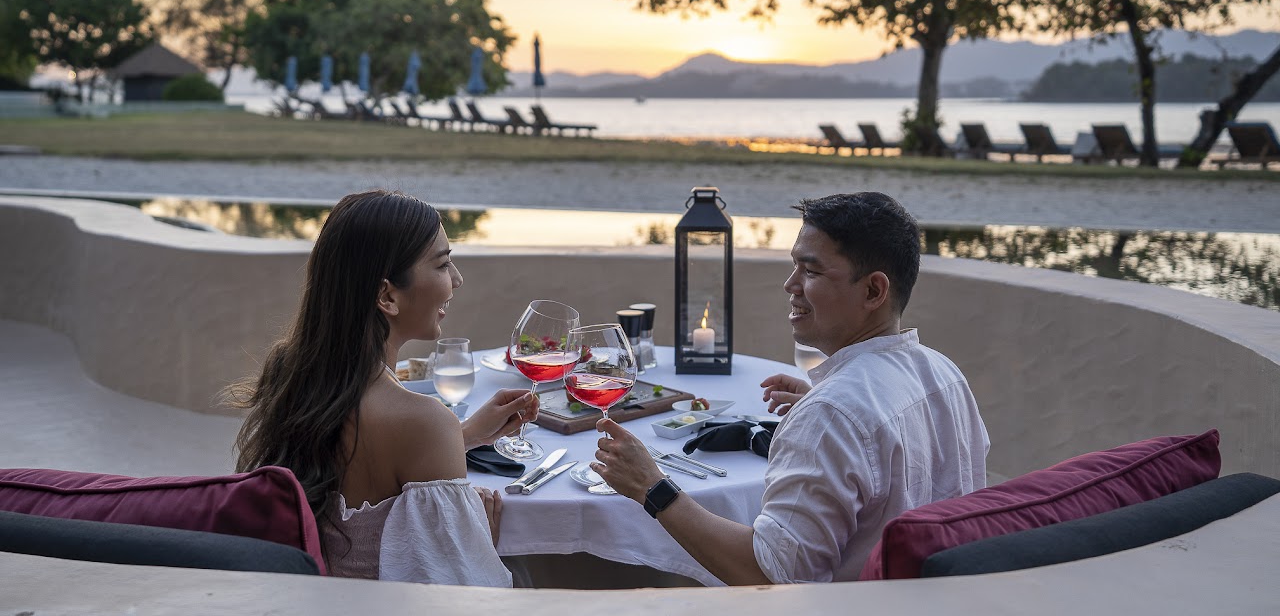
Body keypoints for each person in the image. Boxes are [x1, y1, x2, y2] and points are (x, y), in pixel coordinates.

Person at [593, 192, 989, 584]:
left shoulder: (832, 414)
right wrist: (827, 406)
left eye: (811, 271)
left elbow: (773, 577)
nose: (790, 284)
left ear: (873, 291)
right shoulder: (944, 374)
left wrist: (652, 487)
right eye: (794, 266)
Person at [225, 189, 536, 586]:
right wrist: (480, 543)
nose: (456, 280)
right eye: (443, 264)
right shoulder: (421, 421)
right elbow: (460, 594)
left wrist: (466, 435)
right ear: (387, 295)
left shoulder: (294, 374)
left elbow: (367, 465)